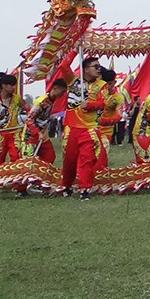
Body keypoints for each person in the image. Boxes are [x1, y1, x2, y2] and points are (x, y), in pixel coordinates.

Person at [61, 57, 110, 199]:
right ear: (86, 69)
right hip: (71, 128)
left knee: (87, 159)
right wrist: (75, 50)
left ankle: (85, 189)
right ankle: (67, 185)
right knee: (69, 161)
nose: (98, 68)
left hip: (89, 129)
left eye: (99, 66)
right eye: (95, 66)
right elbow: (64, 65)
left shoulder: (102, 85)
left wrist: (89, 105)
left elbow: (103, 103)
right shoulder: (73, 81)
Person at [21, 79, 67, 165]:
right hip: (31, 135)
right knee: (29, 162)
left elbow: (42, 117)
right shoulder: (41, 101)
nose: (63, 94)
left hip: (43, 134)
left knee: (49, 157)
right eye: (62, 91)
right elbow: (29, 119)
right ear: (55, 88)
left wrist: (50, 118)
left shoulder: (52, 101)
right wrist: (37, 133)